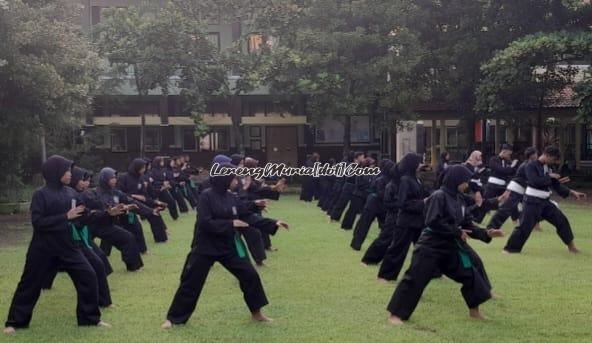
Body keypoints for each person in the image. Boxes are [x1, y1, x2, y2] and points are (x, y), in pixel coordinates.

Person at [161, 163, 289, 329]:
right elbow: (204, 222)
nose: (236, 180)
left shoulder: (232, 197)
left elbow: (247, 216)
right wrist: (230, 223)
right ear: (224, 177)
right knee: (191, 281)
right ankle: (174, 319)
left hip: (228, 246)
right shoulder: (206, 196)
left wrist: (273, 223)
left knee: (250, 275)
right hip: (205, 246)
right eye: (233, 177)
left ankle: (257, 314)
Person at [4, 155, 109, 334]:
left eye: (69, 171)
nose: (70, 174)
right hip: (42, 249)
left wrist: (108, 214)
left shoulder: (71, 193)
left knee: (89, 276)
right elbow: (38, 222)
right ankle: (15, 322)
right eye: (67, 171)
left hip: (67, 246)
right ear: (55, 172)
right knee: (29, 284)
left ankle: (89, 319)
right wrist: (64, 217)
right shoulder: (40, 194)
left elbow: (84, 215)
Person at [386, 165, 493, 326]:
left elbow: (467, 223)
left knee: (471, 274)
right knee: (415, 279)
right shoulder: (439, 196)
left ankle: (474, 312)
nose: (467, 185)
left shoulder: (459, 199)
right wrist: (457, 232)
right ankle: (396, 315)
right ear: (456, 180)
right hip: (430, 246)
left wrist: (486, 233)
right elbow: (433, 221)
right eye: (465, 181)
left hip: (451, 247)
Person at [504, 146, 586, 254]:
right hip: (531, 202)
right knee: (525, 227)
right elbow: (534, 181)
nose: (553, 162)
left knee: (562, 221)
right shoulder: (530, 166)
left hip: (545, 202)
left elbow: (556, 185)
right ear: (546, 155)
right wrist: (550, 176)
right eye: (552, 159)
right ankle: (509, 250)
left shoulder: (548, 168)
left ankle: (571, 247)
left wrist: (572, 192)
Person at [377, 153, 429, 282]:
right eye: (419, 162)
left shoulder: (416, 179)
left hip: (418, 221)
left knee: (425, 249)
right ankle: (385, 275)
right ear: (413, 164)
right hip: (406, 222)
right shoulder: (405, 180)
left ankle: (432, 272)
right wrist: (423, 203)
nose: (421, 165)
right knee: (398, 249)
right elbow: (402, 203)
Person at [94, 167, 145, 268]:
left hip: (108, 224)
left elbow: (131, 201)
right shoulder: (95, 193)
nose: (115, 180)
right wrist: (113, 209)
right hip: (94, 224)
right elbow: (104, 207)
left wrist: (151, 211)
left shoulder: (115, 192)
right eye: (112, 178)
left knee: (128, 238)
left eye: (115, 177)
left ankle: (133, 266)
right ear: (105, 179)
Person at [118, 158, 168, 244]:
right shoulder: (124, 177)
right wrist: (133, 196)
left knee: (155, 214)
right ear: (136, 167)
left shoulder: (141, 178)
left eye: (144, 168)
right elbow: (119, 193)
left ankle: (161, 239)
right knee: (135, 226)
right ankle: (140, 247)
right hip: (127, 203)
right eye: (142, 168)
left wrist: (156, 202)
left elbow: (145, 196)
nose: (144, 170)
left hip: (141, 203)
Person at [487, 147, 538, 231]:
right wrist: (511, 166)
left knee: (529, 207)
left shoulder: (530, 165)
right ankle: (491, 226)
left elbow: (511, 172)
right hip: (514, 188)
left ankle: (528, 225)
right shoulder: (527, 165)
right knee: (505, 208)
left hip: (518, 189)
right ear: (532, 156)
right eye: (536, 154)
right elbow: (504, 171)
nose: (537, 156)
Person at [350, 159, 395, 250]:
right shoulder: (381, 178)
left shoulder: (381, 177)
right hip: (375, 203)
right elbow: (378, 192)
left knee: (367, 225)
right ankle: (356, 244)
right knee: (365, 225)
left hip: (376, 203)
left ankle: (357, 244)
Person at [341, 157, 375, 230]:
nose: (373, 166)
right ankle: (346, 225)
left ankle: (360, 228)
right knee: (352, 211)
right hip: (358, 195)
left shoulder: (372, 173)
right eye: (372, 164)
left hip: (366, 195)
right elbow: (359, 184)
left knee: (365, 213)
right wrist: (368, 187)